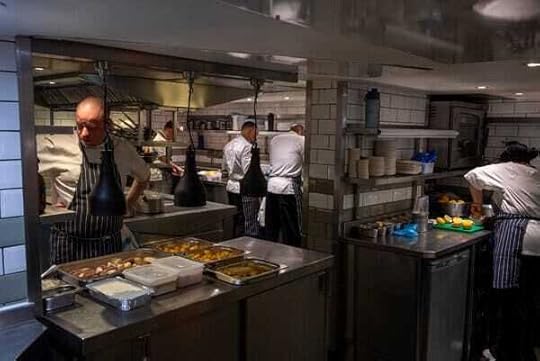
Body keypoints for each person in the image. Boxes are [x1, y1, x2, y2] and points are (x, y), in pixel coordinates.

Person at [38, 96, 150, 264]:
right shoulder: (54, 145)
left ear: (107, 124)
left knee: (111, 287)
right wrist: (44, 204)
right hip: (69, 244)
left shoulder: (123, 149)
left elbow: (144, 176)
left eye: (91, 127)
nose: (84, 133)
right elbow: (21, 168)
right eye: (79, 125)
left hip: (109, 244)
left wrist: (128, 203)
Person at [464, 141, 540, 361]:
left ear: (507, 159)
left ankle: (502, 353)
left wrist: (476, 205)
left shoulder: (509, 168)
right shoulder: (534, 173)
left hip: (518, 238)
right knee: (530, 300)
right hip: (536, 243)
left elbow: (472, 176)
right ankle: (525, 352)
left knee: (507, 299)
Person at [265, 124, 305, 247]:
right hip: (289, 189)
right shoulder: (302, 140)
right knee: (293, 229)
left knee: (272, 228)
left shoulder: (275, 139)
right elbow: (308, 163)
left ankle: (270, 257)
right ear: (300, 130)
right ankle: (294, 258)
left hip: (271, 187)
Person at [222, 120, 261, 237]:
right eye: (256, 133)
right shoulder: (247, 147)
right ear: (250, 131)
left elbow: (224, 167)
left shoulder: (229, 144)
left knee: (236, 219)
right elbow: (249, 171)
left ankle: (235, 242)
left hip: (231, 187)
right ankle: (249, 246)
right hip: (245, 188)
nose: (256, 136)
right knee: (249, 222)